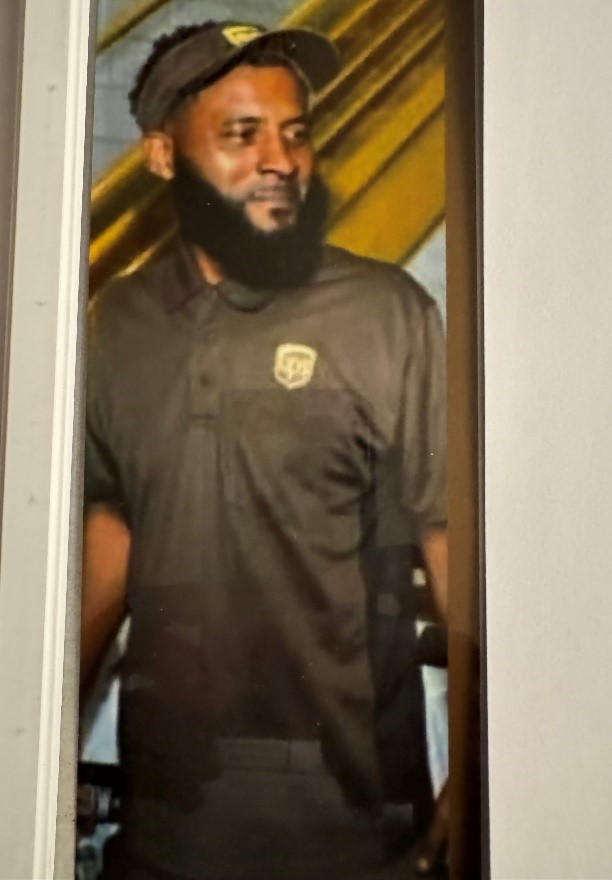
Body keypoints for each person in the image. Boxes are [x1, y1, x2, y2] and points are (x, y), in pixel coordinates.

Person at [82, 19, 448, 880]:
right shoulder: (117, 323)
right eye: (242, 134)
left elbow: (452, 542)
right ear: (163, 156)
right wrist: (33, 738)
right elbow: (112, 533)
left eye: (295, 132)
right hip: (167, 836)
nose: (280, 158)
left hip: (358, 839)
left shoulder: (387, 314)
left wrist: (478, 770)